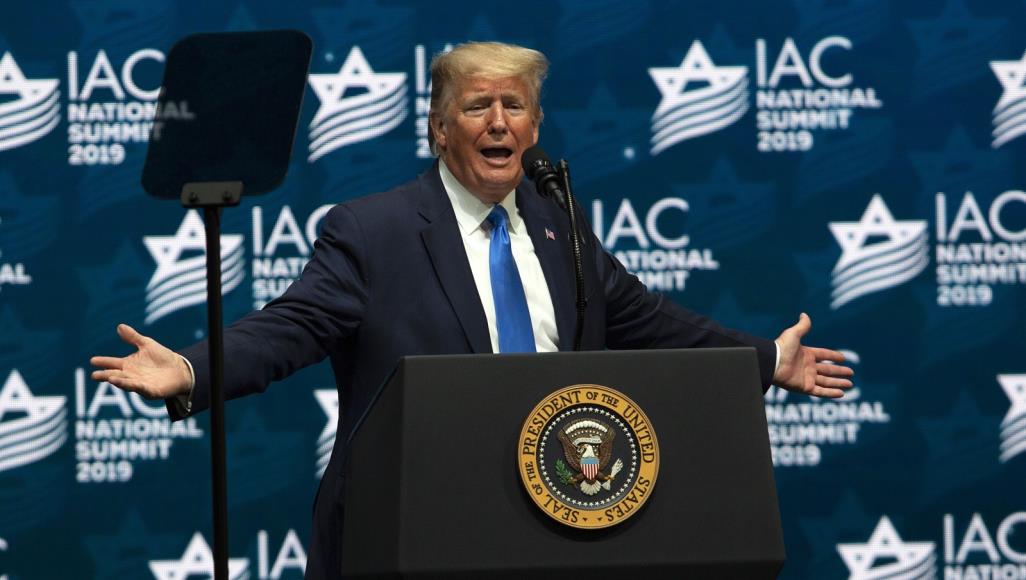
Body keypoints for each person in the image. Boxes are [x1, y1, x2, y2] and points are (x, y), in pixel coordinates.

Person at [90, 41, 853, 579]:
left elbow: (648, 320)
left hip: (558, 524)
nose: (498, 122)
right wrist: (192, 367)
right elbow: (292, 326)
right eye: (477, 105)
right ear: (439, 127)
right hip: (415, 523)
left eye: (514, 106)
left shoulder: (561, 226)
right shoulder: (375, 230)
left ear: (535, 128)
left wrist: (766, 360)